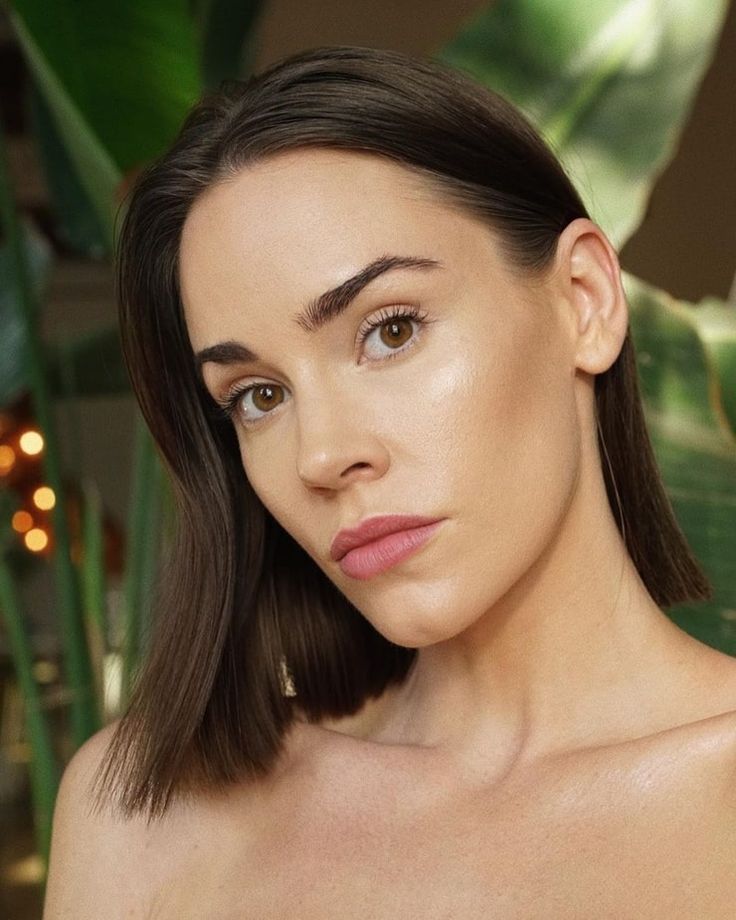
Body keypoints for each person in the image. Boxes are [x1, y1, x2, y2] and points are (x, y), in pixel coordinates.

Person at [43, 45, 736, 918]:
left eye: (392, 331)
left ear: (583, 300)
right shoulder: (143, 812)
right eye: (259, 396)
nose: (322, 456)